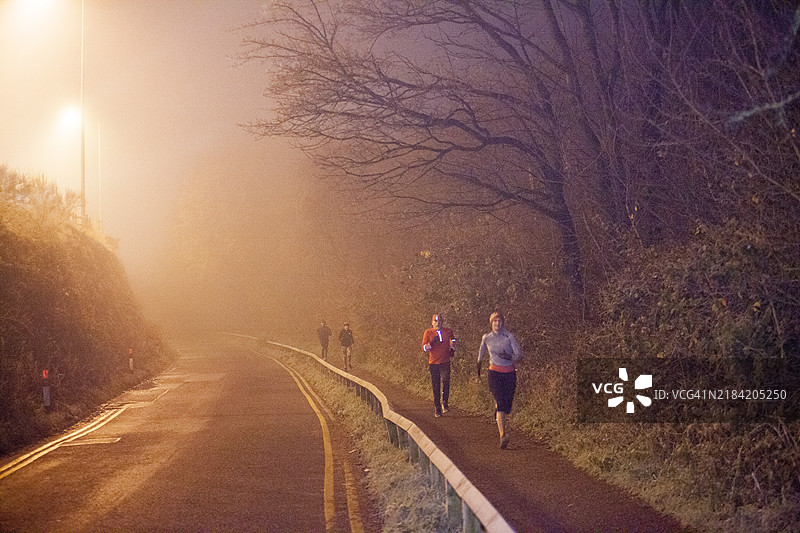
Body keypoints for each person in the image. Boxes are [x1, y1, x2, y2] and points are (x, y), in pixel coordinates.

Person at [477, 311, 522, 449]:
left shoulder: (509, 337)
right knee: (501, 403)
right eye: (495, 321)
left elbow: (518, 355)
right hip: (494, 373)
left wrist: (509, 357)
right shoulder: (486, 338)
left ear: (503, 323)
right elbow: (481, 353)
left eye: (500, 321)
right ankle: (503, 435)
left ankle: (498, 409)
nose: (498, 324)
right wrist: (478, 365)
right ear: (491, 323)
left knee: (507, 405)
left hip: (509, 373)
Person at [422, 313, 456, 418]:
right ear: (432, 323)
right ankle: (437, 407)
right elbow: (424, 348)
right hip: (434, 362)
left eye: (439, 321)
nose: (438, 323)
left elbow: (453, 340)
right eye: (435, 321)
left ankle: (445, 402)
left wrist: (452, 349)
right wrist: (431, 344)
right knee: (436, 385)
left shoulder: (448, 331)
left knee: (446, 381)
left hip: (445, 361)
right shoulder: (428, 332)